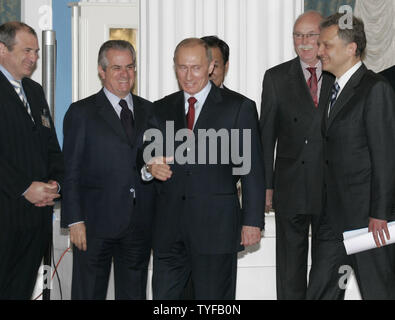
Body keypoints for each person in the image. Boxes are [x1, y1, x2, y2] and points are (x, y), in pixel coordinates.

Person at [144, 38, 265, 299]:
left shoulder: (238, 107)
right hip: (169, 230)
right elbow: (145, 157)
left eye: (196, 67)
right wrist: (150, 168)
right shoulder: (160, 108)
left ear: (211, 67)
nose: (188, 76)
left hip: (216, 229)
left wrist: (252, 221)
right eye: (181, 67)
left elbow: (252, 170)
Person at [307, 13, 395, 300]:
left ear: (351, 48)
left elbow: (385, 157)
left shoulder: (375, 89)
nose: (319, 52)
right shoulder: (332, 89)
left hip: (367, 221)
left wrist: (379, 214)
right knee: (320, 291)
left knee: (377, 292)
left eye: (326, 45)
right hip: (331, 219)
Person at [62, 40, 155, 300]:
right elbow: (70, 170)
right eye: (116, 68)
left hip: (138, 225)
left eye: (130, 67)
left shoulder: (151, 110)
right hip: (93, 226)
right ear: (102, 71)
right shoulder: (81, 112)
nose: (125, 74)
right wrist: (74, 220)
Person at [259, 11, 334, 300]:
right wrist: (266, 185)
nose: (303, 42)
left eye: (311, 35)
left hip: (331, 187)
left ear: (324, 37)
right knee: (290, 270)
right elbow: (266, 137)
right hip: (291, 187)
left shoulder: (337, 73)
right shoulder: (276, 77)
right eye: (297, 35)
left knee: (328, 269)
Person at [0, 21, 63, 299]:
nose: (34, 58)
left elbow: (51, 147)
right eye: (27, 50)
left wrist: (55, 185)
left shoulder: (35, 92)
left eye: (37, 52)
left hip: (35, 221)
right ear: (2, 49)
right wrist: (25, 187)